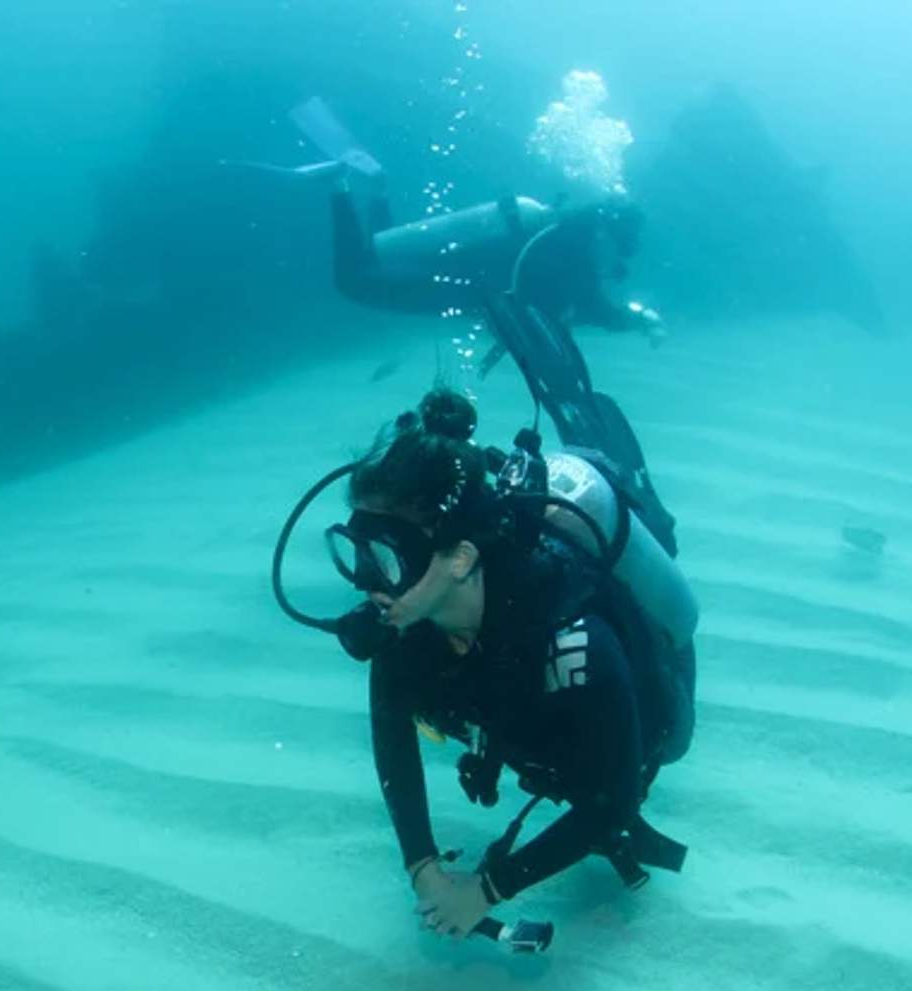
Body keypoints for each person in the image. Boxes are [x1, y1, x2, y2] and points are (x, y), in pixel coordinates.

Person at [328, 388, 693, 938]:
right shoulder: (405, 627)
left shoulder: (572, 639)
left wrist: (487, 890)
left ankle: (623, 477)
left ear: (460, 558)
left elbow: (612, 801)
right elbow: (392, 734)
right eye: (356, 552)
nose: (365, 581)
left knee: (625, 764)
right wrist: (422, 866)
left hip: (629, 730)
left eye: (384, 557)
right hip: (515, 717)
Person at [255, 98, 665, 343]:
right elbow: (592, 309)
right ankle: (339, 186)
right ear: (608, 233)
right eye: (622, 245)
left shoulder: (555, 228)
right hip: (455, 285)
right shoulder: (571, 253)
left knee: (382, 251)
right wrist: (640, 319)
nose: (619, 260)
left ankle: (375, 190)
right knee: (355, 281)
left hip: (454, 270)